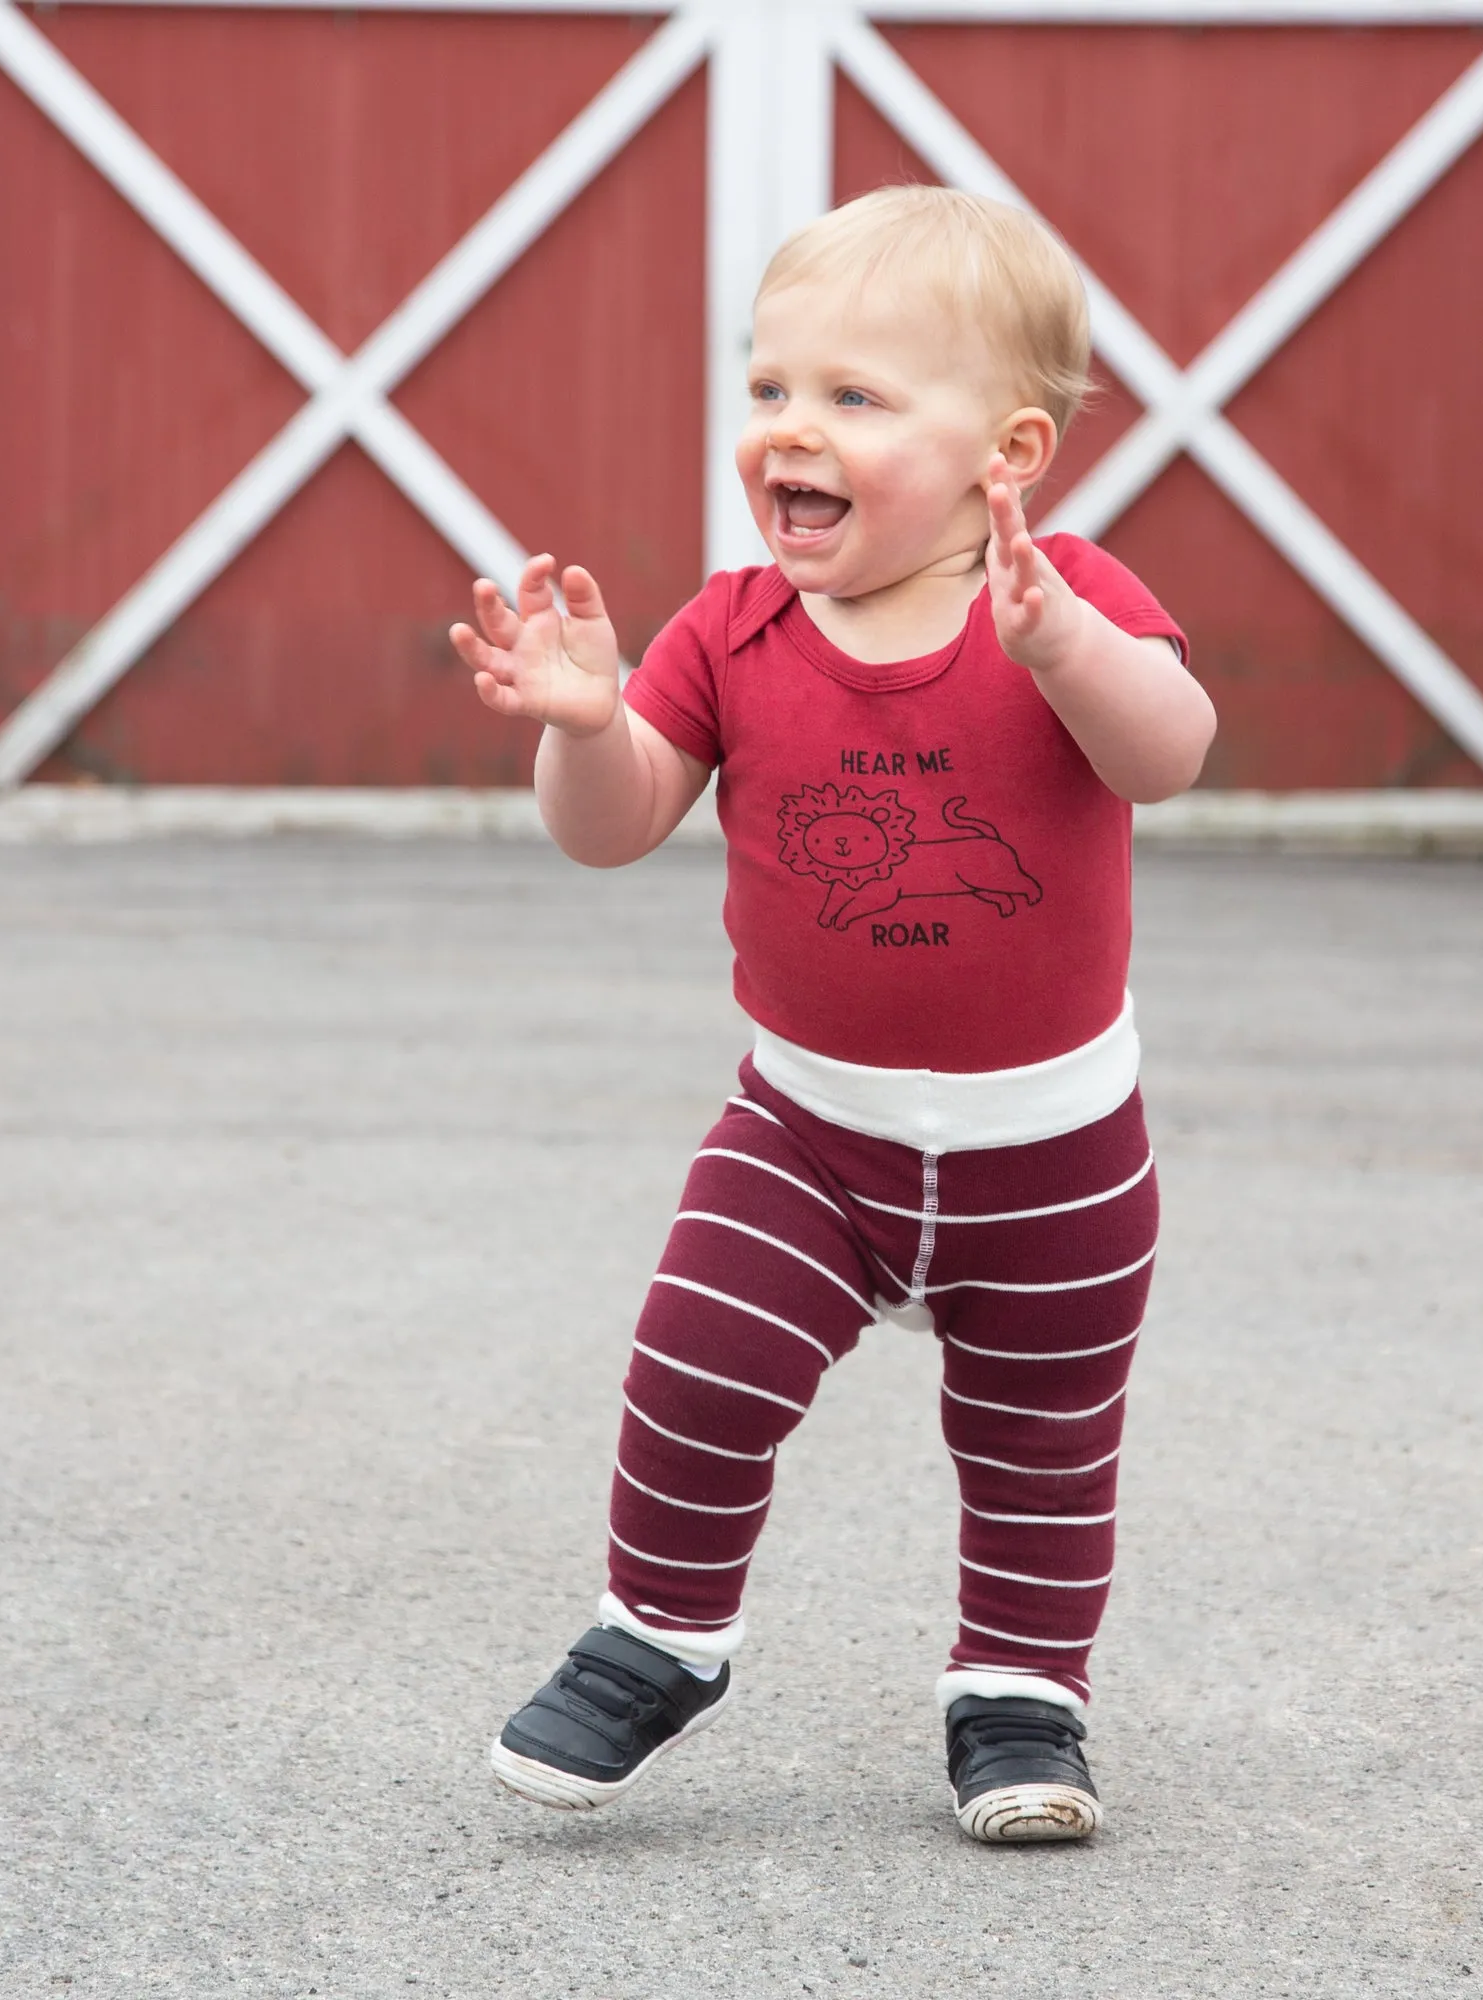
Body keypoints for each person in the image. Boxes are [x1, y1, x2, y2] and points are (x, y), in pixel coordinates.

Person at [449, 186, 1216, 1844]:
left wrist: (1070, 651)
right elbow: (615, 823)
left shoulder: (1064, 594)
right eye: (772, 390)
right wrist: (586, 724)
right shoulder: (734, 628)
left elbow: (1170, 753)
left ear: (1005, 454)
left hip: (1058, 1154)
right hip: (808, 1128)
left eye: (855, 399)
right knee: (700, 1360)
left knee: (1040, 1450)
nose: (791, 430)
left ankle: (1022, 1696)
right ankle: (661, 1633)